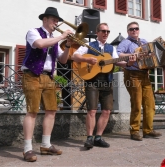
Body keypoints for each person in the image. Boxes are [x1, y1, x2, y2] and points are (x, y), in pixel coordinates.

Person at [21, 7, 73, 162]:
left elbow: (63, 60)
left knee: (51, 110)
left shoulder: (55, 40)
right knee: (32, 112)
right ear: (44, 19)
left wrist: (68, 45)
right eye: (54, 20)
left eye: (57, 20)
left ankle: (45, 145)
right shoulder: (34, 31)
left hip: (49, 78)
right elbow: (40, 44)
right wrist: (62, 36)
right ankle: (27, 149)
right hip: (32, 75)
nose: (56, 23)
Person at [72, 23, 136, 149]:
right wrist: (87, 60)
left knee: (106, 111)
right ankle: (89, 138)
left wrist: (129, 63)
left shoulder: (111, 48)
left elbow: (118, 61)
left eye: (108, 31)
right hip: (92, 80)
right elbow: (75, 56)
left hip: (107, 81)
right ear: (97, 32)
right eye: (103, 31)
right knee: (92, 110)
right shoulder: (89, 45)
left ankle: (98, 137)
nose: (106, 33)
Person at [117, 21, 165, 141]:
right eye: (131, 29)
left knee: (150, 103)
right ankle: (134, 131)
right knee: (137, 104)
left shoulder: (144, 42)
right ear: (128, 31)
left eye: (136, 29)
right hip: (132, 74)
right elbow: (118, 54)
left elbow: (155, 52)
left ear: (139, 30)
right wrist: (132, 55)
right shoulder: (125, 42)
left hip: (145, 74)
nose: (134, 31)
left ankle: (148, 130)